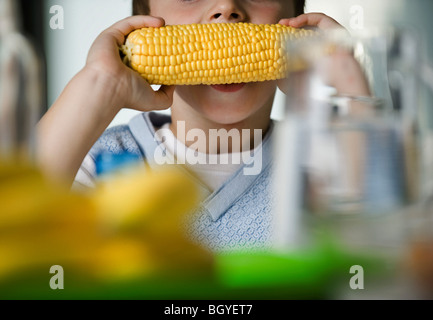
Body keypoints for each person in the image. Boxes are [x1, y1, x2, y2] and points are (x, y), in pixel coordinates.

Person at [36, 0, 360, 252]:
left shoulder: (327, 160)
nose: (226, 8)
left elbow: (390, 252)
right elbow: (3, 226)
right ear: (140, 25)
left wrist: (352, 90)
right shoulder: (97, 163)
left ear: (299, 23)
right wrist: (99, 82)